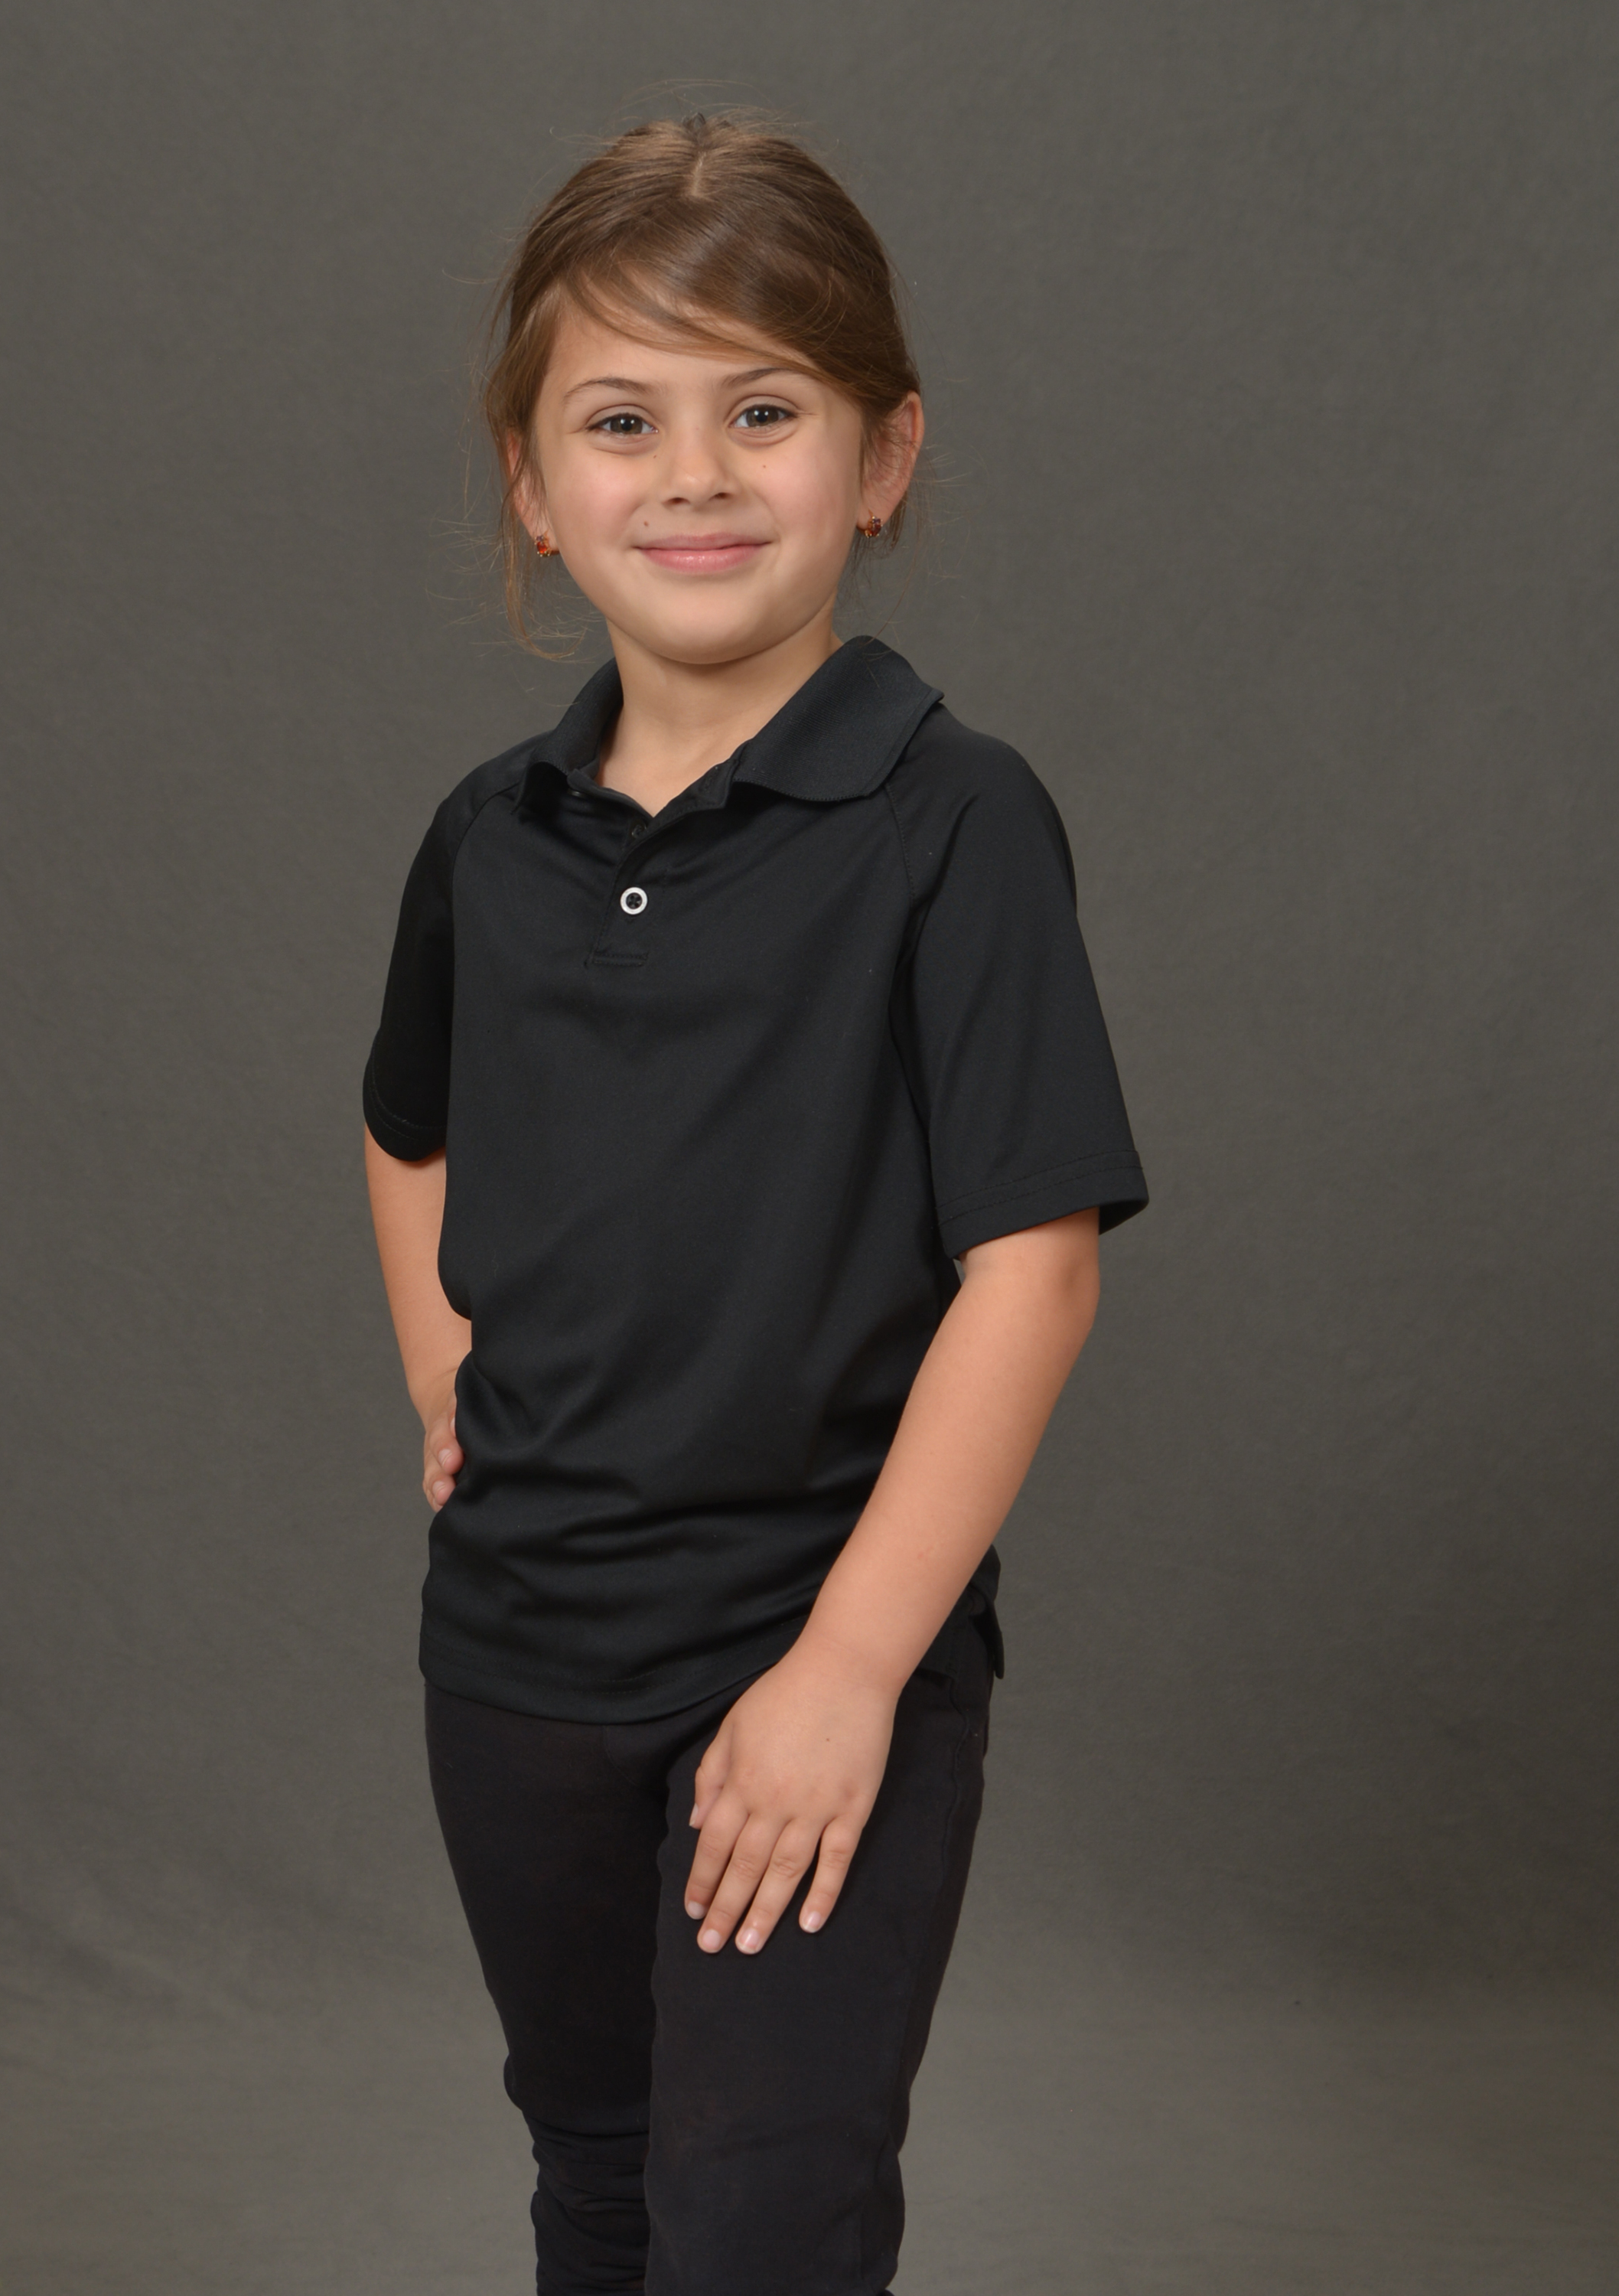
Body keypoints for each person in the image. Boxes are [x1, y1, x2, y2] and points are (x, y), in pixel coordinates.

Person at [362, 111, 1148, 2296]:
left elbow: (1034, 1271)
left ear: (883, 456)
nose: (694, 475)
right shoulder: (490, 838)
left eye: (765, 412)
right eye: (623, 420)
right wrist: (446, 1381)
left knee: (761, 2226)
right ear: (532, 482)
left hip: (810, 1656)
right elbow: (407, 1130)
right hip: (516, 1660)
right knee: (604, 2183)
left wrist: (849, 1669)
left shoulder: (950, 824)